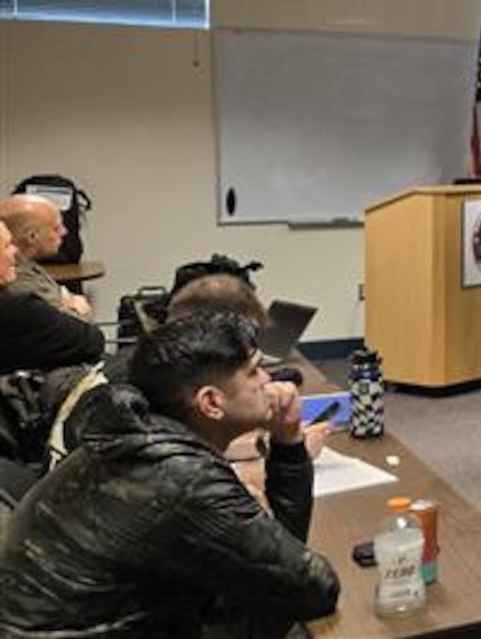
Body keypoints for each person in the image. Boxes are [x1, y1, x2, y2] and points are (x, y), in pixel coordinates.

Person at [0, 313, 340, 637]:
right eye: (254, 372)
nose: (269, 381)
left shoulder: (130, 431)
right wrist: (289, 442)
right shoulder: (183, 477)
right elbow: (311, 587)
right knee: (274, 616)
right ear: (210, 403)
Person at [0, 215, 105, 374]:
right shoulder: (19, 306)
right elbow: (93, 341)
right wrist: (73, 307)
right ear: (32, 236)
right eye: (7, 245)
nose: (14, 250)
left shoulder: (24, 273)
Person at [0, 194, 92, 319]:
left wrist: (69, 302)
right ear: (32, 237)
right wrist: (74, 304)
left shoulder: (27, 265)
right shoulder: (19, 281)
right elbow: (78, 329)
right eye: (56, 228)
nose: (64, 232)